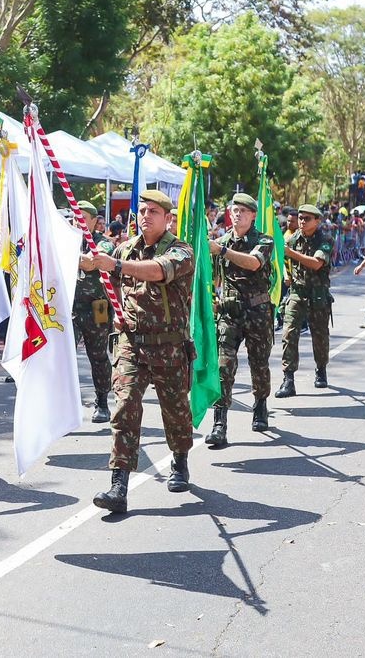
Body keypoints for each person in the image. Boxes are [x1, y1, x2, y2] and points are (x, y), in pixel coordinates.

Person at [81, 189, 195, 513]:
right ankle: (119, 485)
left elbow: (157, 271)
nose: (145, 216)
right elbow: (111, 283)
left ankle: (180, 459)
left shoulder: (181, 251)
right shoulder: (126, 248)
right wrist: (117, 309)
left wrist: (116, 264)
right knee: (125, 408)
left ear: (168, 218)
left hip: (169, 346)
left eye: (153, 211)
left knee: (175, 411)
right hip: (131, 343)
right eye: (142, 210)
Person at [205, 193, 274, 446]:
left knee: (259, 364)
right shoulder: (221, 241)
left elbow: (254, 263)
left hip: (257, 313)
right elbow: (212, 276)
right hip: (229, 313)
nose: (238, 214)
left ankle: (260, 405)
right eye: (235, 210)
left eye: (243, 211)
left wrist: (223, 251)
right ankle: (219, 423)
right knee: (223, 367)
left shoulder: (263, 241)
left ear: (253, 215)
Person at [275, 204, 333, 398]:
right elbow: (283, 260)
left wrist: (290, 253)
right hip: (297, 293)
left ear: (317, 221)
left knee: (320, 335)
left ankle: (321, 369)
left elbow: (316, 264)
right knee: (289, 333)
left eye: (307, 218)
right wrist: (286, 274)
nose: (302, 221)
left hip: (318, 295)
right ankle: (288, 379)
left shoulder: (325, 240)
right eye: (300, 217)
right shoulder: (292, 239)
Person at [71, 200, 115, 423]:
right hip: (71, 307)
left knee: (98, 356)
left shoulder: (103, 243)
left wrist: (67, 254)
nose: (76, 222)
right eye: (74, 218)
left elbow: (91, 263)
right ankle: (66, 403)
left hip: (98, 307)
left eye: (82, 218)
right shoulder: (68, 241)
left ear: (94, 221)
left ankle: (102, 402)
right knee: (64, 356)